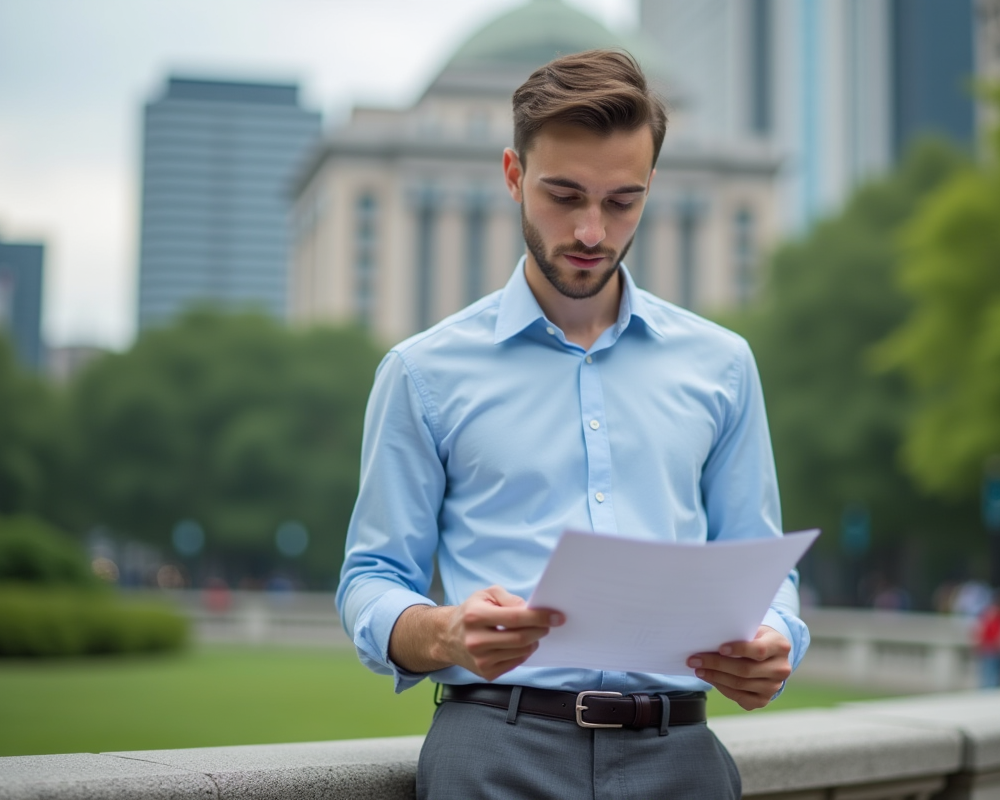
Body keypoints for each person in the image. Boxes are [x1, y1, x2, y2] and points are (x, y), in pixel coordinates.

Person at [336, 49, 809, 799]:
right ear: (513, 175)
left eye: (622, 201)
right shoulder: (422, 371)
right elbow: (371, 579)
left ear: (651, 187)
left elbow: (760, 563)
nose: (591, 230)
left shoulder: (723, 365)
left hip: (682, 757)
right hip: (493, 751)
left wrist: (778, 636)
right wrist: (445, 631)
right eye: (564, 195)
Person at [973, 589, 1000, 689]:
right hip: (990, 649)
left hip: (995, 649)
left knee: (993, 677)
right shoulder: (991, 614)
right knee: (989, 676)